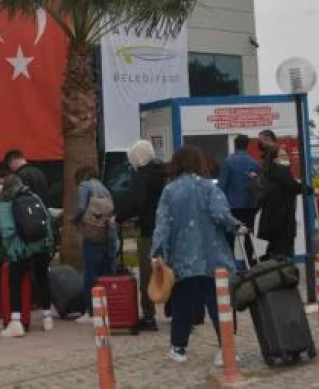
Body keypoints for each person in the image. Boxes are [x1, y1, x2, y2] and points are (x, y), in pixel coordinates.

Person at [151, 145, 246, 365]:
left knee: (182, 303)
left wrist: (158, 253)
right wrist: (236, 226)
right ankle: (226, 349)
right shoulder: (210, 188)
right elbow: (221, 214)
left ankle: (178, 348)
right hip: (212, 257)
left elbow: (162, 225)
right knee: (218, 303)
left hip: (182, 259)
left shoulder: (169, 191)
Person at [0, 173, 55, 338]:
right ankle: (47, 318)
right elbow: (47, 220)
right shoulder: (33, 195)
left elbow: (6, 231)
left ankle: (16, 322)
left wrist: (12, 251)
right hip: (41, 245)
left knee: (14, 282)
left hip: (21, 249)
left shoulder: (5, 201)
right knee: (43, 278)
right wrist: (48, 243)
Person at [122, 139, 165, 332]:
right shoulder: (163, 172)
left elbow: (136, 202)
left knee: (147, 274)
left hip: (149, 229)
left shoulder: (141, 175)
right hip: (168, 229)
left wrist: (120, 216)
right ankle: (181, 312)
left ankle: (149, 316)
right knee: (169, 271)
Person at [72, 166, 118, 325]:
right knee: (107, 273)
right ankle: (109, 308)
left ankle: (90, 311)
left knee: (91, 273)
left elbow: (80, 208)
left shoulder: (84, 186)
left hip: (93, 234)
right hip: (109, 235)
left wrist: (74, 220)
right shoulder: (104, 188)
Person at [256, 138, 310, 260]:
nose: (285, 157)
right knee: (283, 251)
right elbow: (292, 185)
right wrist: (310, 189)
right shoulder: (280, 170)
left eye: (286, 155)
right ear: (274, 158)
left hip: (274, 218)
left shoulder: (269, 171)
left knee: (274, 248)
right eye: (282, 155)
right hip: (281, 218)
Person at [217, 135, 262, 265]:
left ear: (235, 145)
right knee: (248, 234)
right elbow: (259, 185)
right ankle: (249, 262)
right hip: (249, 205)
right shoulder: (254, 163)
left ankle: (231, 263)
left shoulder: (228, 162)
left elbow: (222, 186)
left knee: (230, 236)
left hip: (232, 206)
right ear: (247, 145)